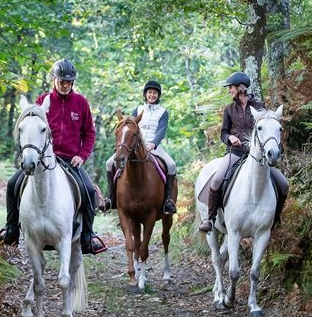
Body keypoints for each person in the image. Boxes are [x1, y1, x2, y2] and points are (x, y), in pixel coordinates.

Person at [0, 58, 106, 254]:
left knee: (88, 190)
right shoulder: (42, 101)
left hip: (71, 160)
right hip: (43, 159)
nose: (65, 85)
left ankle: (88, 235)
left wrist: (82, 156)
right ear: (54, 79)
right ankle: (11, 229)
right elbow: (31, 129)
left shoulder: (81, 103)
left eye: (69, 82)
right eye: (62, 81)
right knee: (13, 184)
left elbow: (89, 134)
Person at [198, 71, 289, 233]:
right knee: (217, 180)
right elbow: (223, 133)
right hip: (236, 152)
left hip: (258, 156)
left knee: (283, 184)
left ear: (241, 88)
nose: (229, 91)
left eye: (231, 88)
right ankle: (210, 219)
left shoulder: (260, 107)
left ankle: (275, 219)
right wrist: (230, 138)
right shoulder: (229, 109)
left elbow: (269, 128)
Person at [104, 80, 177, 214]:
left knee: (171, 165)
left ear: (158, 95)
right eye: (149, 92)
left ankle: (168, 200)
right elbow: (131, 127)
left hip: (154, 147)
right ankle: (110, 198)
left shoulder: (163, 112)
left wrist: (153, 143)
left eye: (155, 93)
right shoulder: (138, 109)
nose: (152, 95)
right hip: (134, 146)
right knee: (109, 163)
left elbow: (161, 130)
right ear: (145, 94)